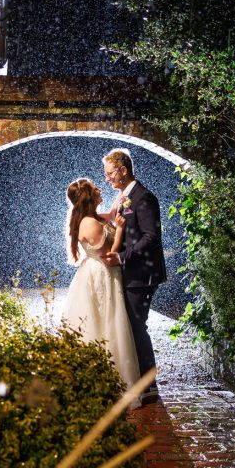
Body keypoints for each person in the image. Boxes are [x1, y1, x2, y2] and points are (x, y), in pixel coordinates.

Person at [61, 178, 141, 404]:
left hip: (100, 274)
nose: (99, 190)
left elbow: (112, 212)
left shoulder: (94, 218)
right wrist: (121, 231)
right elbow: (109, 256)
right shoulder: (90, 224)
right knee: (106, 322)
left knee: (106, 321)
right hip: (102, 275)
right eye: (95, 189)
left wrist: (122, 195)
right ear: (88, 196)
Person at [100, 149, 166, 405]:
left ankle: (149, 386)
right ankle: (140, 380)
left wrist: (124, 256)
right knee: (132, 326)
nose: (107, 179)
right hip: (133, 273)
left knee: (138, 327)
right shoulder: (125, 196)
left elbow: (151, 237)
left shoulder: (144, 197)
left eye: (109, 174)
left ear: (123, 170)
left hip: (143, 274)